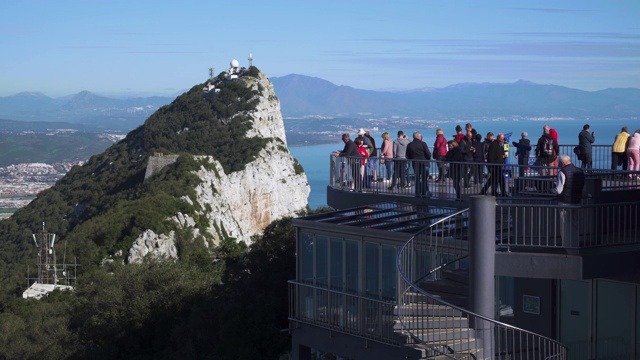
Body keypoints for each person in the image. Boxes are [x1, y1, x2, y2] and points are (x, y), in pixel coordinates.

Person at [552, 154, 585, 247]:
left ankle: (567, 247)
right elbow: (583, 188)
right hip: (576, 201)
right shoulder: (580, 171)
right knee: (575, 225)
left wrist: (552, 190)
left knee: (565, 226)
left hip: (565, 202)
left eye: (559, 163)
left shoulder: (562, 172)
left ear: (562, 163)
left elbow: (559, 190)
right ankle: (575, 245)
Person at [406, 131, 432, 197]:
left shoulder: (410, 145)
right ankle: (424, 191)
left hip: (415, 163)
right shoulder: (423, 144)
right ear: (419, 137)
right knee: (424, 178)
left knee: (417, 177)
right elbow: (428, 154)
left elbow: (407, 156)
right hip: (424, 163)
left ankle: (417, 192)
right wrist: (427, 159)